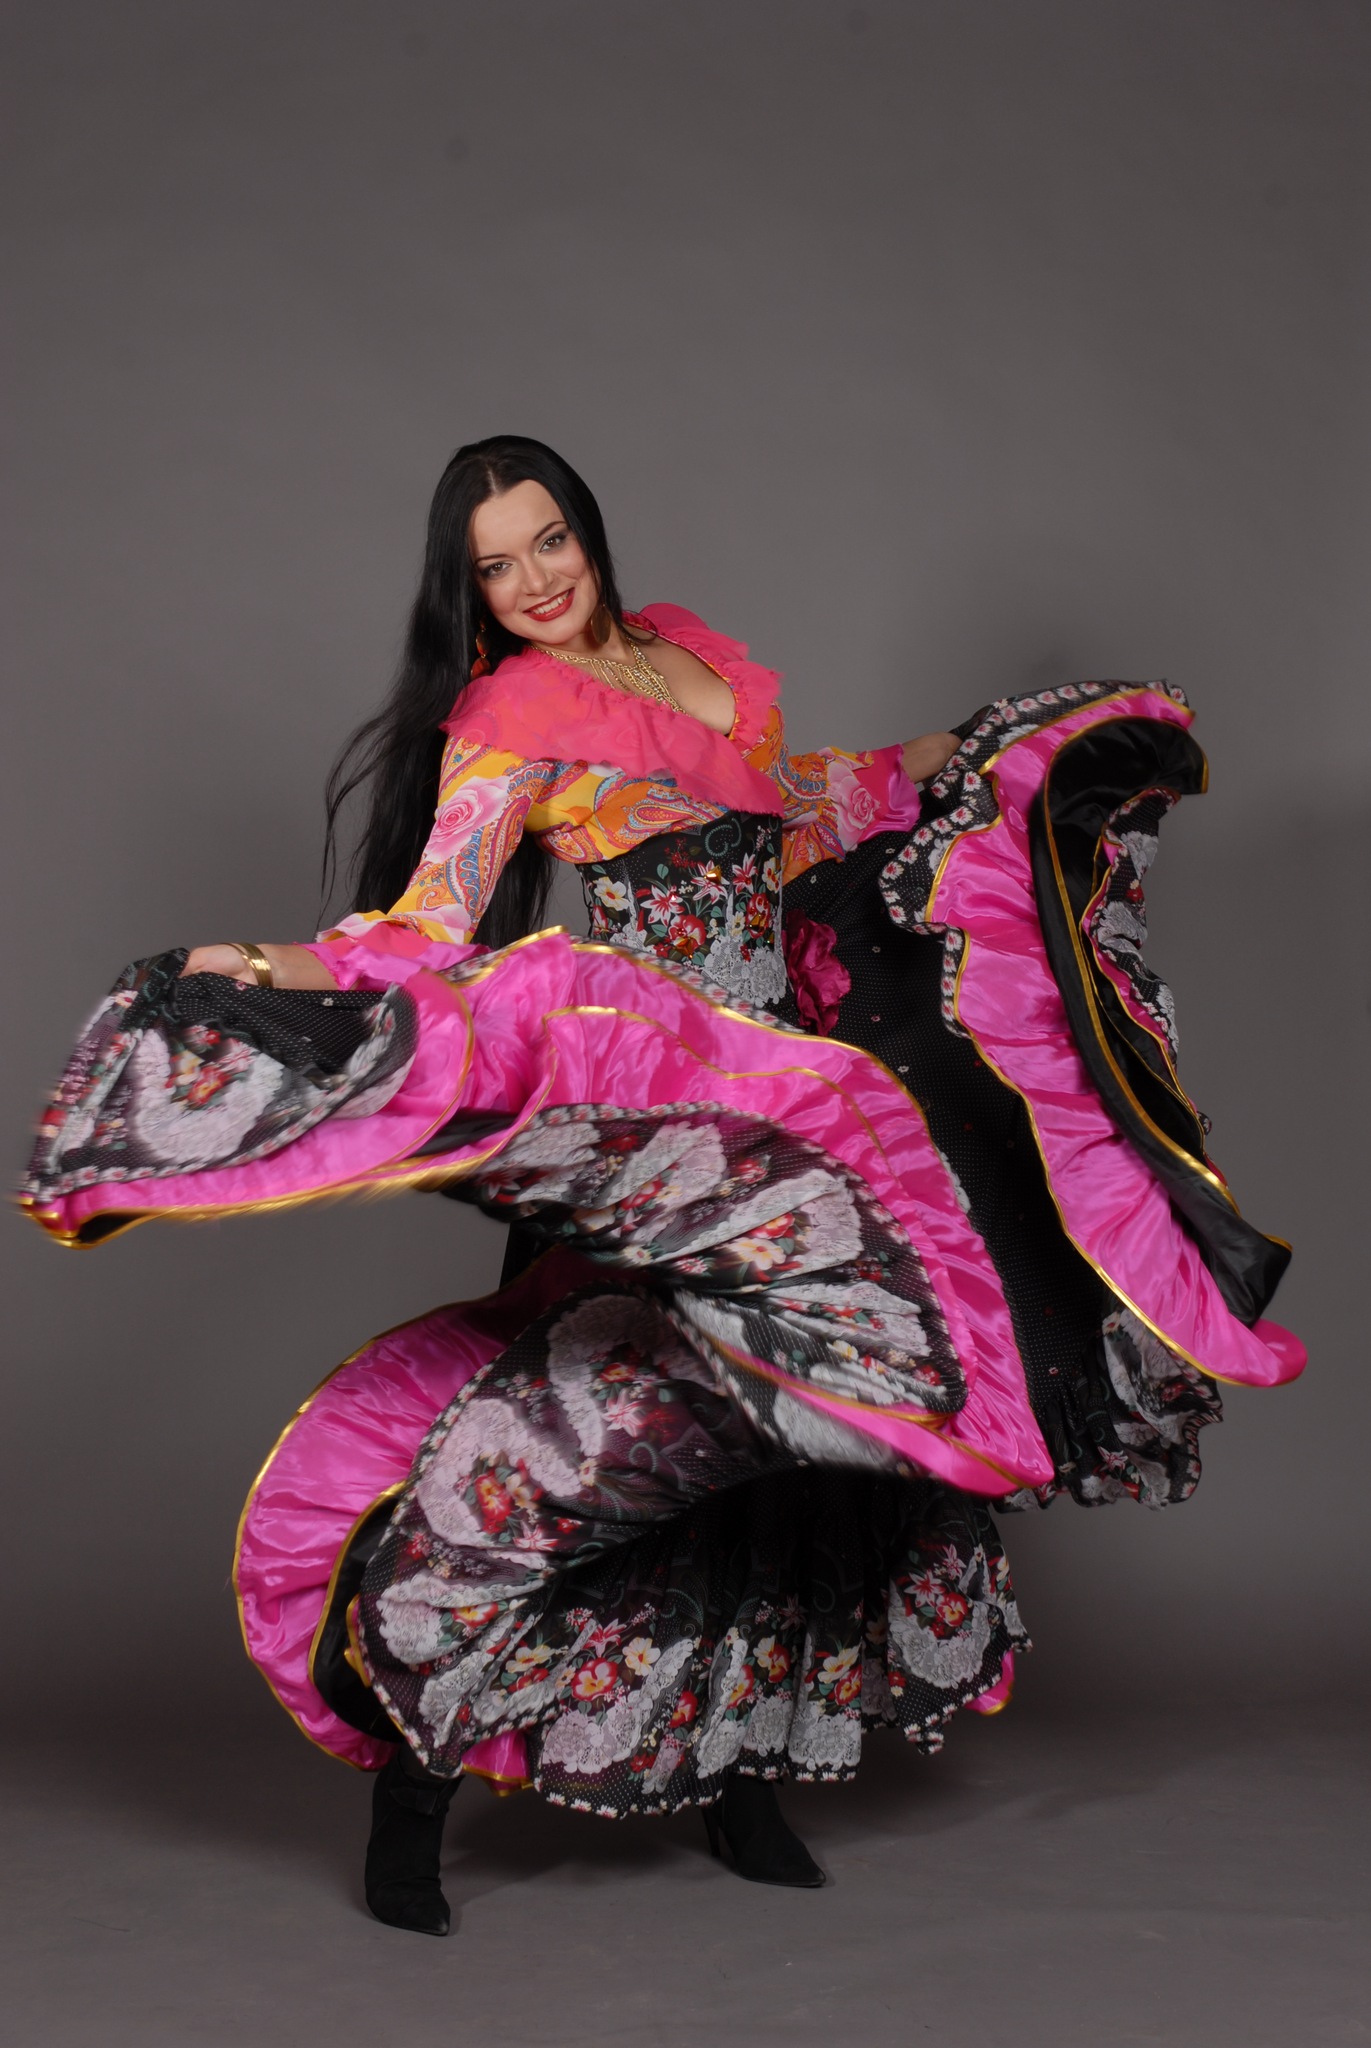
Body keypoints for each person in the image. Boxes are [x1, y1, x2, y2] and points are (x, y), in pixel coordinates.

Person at [23, 435, 1305, 1938]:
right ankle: (413, 1800)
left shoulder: (695, 659)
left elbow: (803, 808)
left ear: (588, 530)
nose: (533, 581)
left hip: (795, 1101)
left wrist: (982, 759)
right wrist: (248, 966)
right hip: (668, 1123)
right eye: (495, 566)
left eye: (548, 541)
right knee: (582, 1448)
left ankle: (740, 1782)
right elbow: (425, 925)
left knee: (805, 1434)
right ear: (468, 590)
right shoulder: (508, 720)